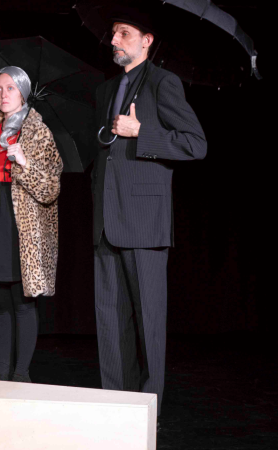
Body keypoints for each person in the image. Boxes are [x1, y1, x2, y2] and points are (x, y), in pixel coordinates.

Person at [92, 15, 206, 416]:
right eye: (113, 33)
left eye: (123, 33)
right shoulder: (106, 88)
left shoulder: (162, 82)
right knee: (110, 321)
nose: (114, 40)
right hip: (106, 220)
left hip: (144, 220)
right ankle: (115, 406)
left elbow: (196, 144)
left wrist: (141, 133)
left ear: (147, 41)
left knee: (149, 322)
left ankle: (147, 411)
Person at [0, 67, 63, 382]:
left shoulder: (38, 132)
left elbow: (51, 188)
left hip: (20, 222)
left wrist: (25, 163)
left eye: (10, 88)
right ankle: (2, 374)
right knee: (1, 302)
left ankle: (21, 373)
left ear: (23, 92)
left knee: (22, 301)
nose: (3, 94)